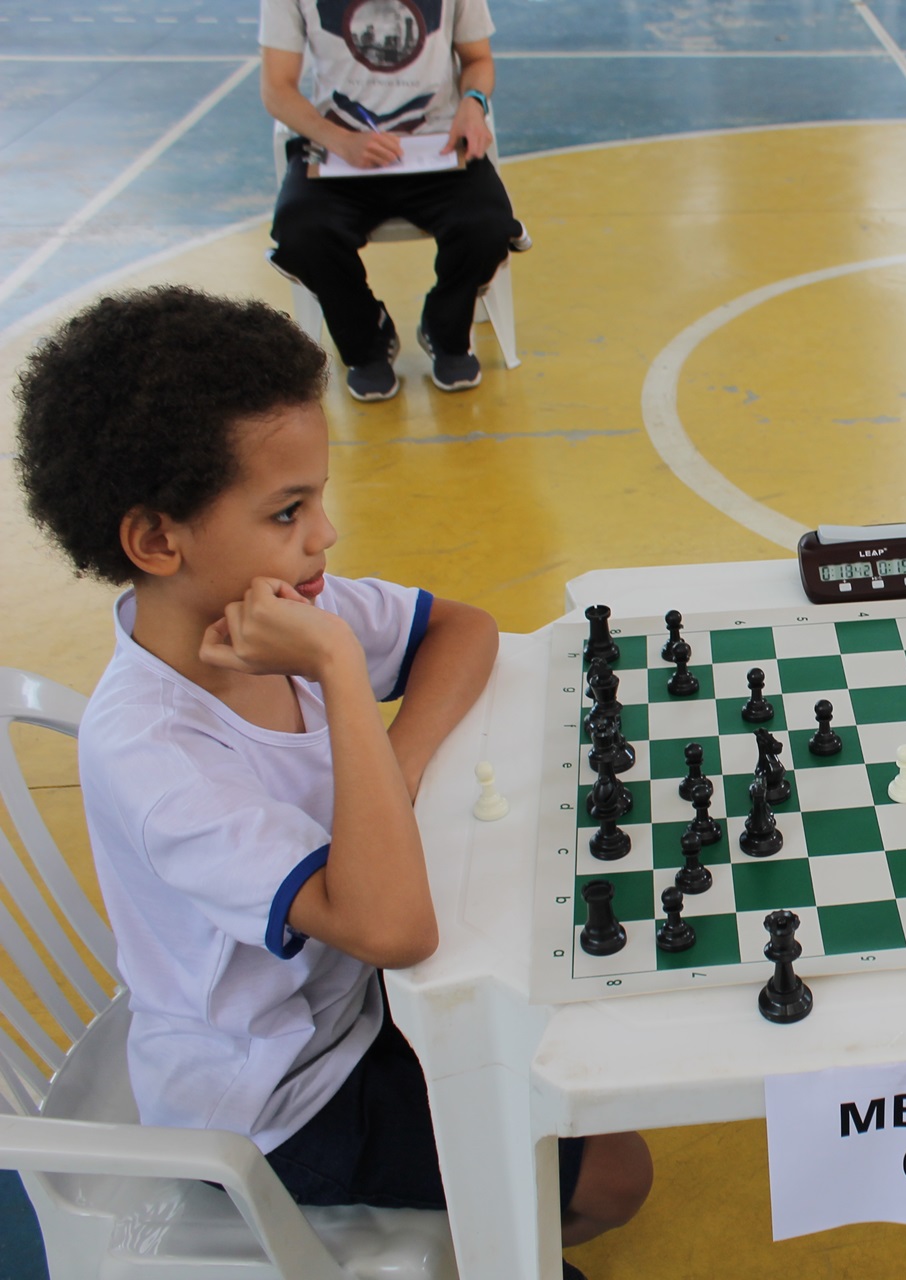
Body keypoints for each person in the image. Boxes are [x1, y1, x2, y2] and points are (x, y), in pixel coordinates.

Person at [12, 287, 649, 1278]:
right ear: (158, 541)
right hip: (280, 1099)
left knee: (594, 1051)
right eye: (287, 511)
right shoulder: (158, 756)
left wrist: (394, 764)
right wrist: (343, 672)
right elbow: (395, 928)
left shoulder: (272, 605)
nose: (326, 533)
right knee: (613, 1174)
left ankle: (493, 1214)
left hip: (355, 1000)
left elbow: (464, 629)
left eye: (317, 498)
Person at [260, 0, 522, 400]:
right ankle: (367, 340)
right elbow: (277, 90)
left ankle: (445, 329)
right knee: (302, 231)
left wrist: (473, 101)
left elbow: (477, 59)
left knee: (488, 225)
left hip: (435, 145)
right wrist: (341, 140)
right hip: (340, 148)